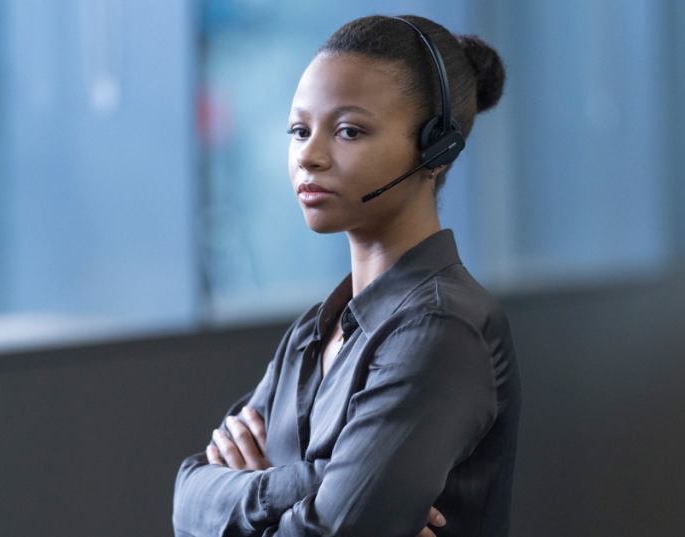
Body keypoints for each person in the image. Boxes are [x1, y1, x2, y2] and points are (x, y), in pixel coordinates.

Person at [173, 14, 520, 537]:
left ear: (436, 149)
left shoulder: (442, 329)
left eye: (348, 131)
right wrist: (311, 483)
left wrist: (252, 497)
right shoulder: (313, 332)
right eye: (299, 130)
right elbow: (187, 500)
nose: (309, 157)